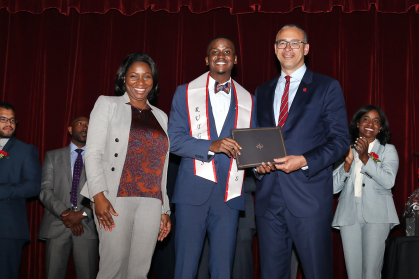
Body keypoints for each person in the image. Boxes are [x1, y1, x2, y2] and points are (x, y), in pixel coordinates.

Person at [254, 24, 349, 279]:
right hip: (268, 199)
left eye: (295, 43)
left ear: (306, 49)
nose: (288, 48)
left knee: (317, 272)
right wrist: (256, 165)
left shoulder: (326, 87)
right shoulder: (261, 92)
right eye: (282, 43)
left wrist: (304, 160)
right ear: (274, 49)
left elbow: (340, 140)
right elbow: (256, 140)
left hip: (309, 198)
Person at [168, 36, 257, 279]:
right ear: (207, 59)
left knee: (222, 269)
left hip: (229, 194)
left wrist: (262, 163)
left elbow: (252, 148)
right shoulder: (185, 93)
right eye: (215, 52)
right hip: (192, 191)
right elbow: (174, 141)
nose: (221, 55)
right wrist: (211, 146)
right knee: (185, 268)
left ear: (235, 59)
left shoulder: (249, 99)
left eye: (227, 51)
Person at [80, 52, 171, 279]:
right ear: (123, 78)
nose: (140, 82)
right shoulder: (107, 104)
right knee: (113, 268)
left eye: (147, 76)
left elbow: (162, 166)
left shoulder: (161, 116)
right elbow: (92, 153)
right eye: (134, 76)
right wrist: (98, 196)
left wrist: (164, 209)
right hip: (114, 198)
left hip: (151, 202)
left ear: (154, 81)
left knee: (140, 271)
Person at [332, 105, 399, 279]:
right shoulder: (345, 150)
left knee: (371, 273)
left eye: (376, 121)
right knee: (353, 273)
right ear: (357, 123)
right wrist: (346, 165)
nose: (371, 123)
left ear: (381, 127)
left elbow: (389, 181)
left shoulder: (388, 150)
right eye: (366, 119)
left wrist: (365, 159)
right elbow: (332, 188)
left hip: (377, 215)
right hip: (349, 214)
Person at [38, 116, 99, 279]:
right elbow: (45, 190)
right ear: (70, 129)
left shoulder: (100, 159)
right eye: (80, 123)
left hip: (87, 227)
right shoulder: (52, 156)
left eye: (88, 125)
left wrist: (82, 214)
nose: (85, 127)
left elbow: (102, 192)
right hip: (57, 225)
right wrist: (66, 214)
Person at [0, 101, 41, 279]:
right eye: (3, 119)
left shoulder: (25, 150)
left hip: (7, 229)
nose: (9, 123)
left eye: (12, 119)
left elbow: (33, 186)